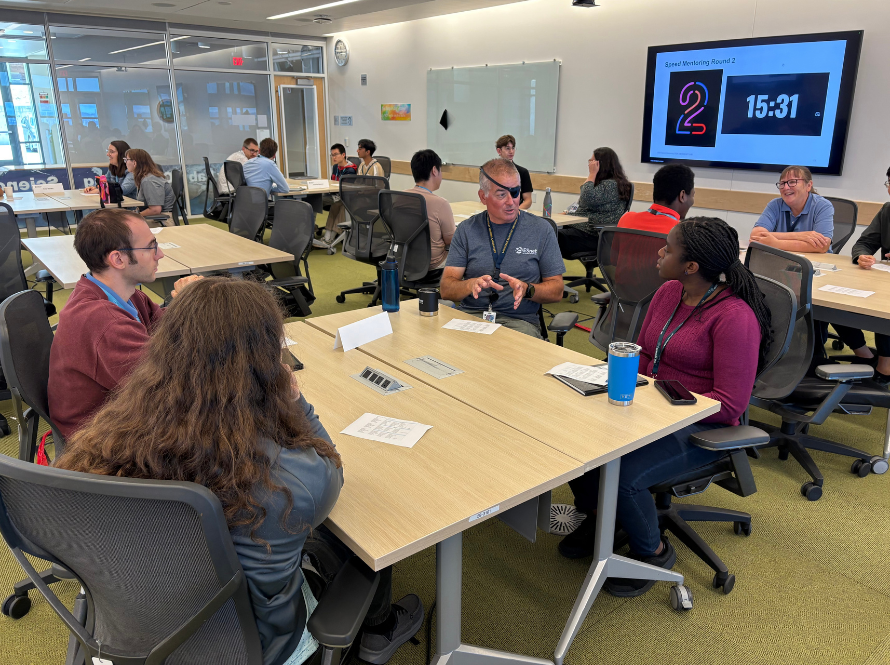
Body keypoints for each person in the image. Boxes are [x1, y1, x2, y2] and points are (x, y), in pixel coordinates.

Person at [54, 278, 425, 665]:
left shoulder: (105, 440)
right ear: (266, 362)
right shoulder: (290, 484)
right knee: (353, 541)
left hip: (125, 637)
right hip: (252, 648)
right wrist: (296, 403)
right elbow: (331, 464)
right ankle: (378, 630)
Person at [559, 218, 772, 600]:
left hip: (702, 425)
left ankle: (653, 553)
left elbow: (730, 404)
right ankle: (597, 519)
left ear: (691, 266)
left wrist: (660, 410)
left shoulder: (734, 317)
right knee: (577, 439)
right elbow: (642, 358)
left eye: (668, 249)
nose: (659, 253)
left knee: (623, 477)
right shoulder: (669, 291)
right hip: (652, 405)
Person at [48, 208, 200, 440]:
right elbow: (167, 391)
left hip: (122, 411)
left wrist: (194, 307)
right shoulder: (104, 321)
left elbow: (166, 328)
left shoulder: (122, 295)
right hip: (100, 438)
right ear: (118, 259)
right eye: (151, 246)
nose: (159, 254)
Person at [439, 158, 565, 338]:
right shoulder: (467, 230)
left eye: (515, 193)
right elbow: (446, 288)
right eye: (501, 194)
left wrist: (527, 289)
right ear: (483, 197)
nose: (511, 201)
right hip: (471, 319)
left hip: (518, 322)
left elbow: (557, 290)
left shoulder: (541, 230)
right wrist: (470, 284)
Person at [826, 167, 890, 387]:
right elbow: (865, 242)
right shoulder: (887, 211)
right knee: (835, 299)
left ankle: (885, 368)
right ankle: (864, 355)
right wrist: (862, 255)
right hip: (884, 280)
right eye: (889, 183)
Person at [557, 147, 632, 259]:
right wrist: (567, 213)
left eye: (592, 161)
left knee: (547, 236)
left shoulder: (611, 185)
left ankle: (547, 275)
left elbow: (586, 198)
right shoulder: (604, 184)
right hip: (582, 230)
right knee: (547, 230)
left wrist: (592, 174)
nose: (589, 164)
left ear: (600, 164)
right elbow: (583, 204)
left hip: (591, 235)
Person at [749, 165, 833, 253]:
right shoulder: (775, 205)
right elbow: (756, 236)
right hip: (781, 261)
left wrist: (775, 243)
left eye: (792, 182)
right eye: (782, 183)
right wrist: (799, 236)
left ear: (808, 185)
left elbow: (823, 245)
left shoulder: (822, 206)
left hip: (815, 263)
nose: (786, 187)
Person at [407, 149, 455, 270]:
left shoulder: (400, 197)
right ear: (434, 170)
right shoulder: (441, 203)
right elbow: (451, 240)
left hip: (404, 259)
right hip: (433, 263)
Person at [618, 164, 695, 233]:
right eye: (692, 195)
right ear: (682, 196)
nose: (692, 201)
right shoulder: (684, 234)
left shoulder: (626, 219)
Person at [314, 143, 358, 249]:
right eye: (332, 155)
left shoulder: (350, 170)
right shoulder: (335, 167)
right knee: (314, 200)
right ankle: (312, 230)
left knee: (337, 205)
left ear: (343, 155)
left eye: (336, 154)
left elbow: (346, 189)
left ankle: (329, 238)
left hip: (346, 198)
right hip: (334, 196)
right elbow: (333, 184)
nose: (333, 157)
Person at [125, 148, 176, 226]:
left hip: (160, 221)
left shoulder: (149, 180)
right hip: (154, 218)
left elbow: (155, 210)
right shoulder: (146, 178)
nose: (125, 163)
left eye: (127, 160)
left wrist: (136, 215)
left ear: (134, 163)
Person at [495, 135, 533, 210]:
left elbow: (528, 200)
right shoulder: (491, 172)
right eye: (507, 148)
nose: (511, 151)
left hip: (515, 213)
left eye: (513, 148)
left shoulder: (522, 172)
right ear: (499, 151)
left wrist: (515, 211)